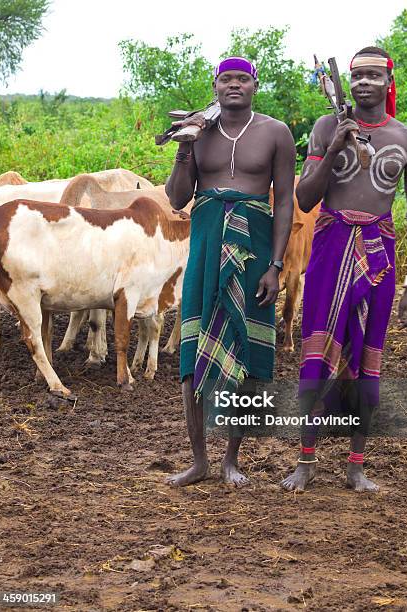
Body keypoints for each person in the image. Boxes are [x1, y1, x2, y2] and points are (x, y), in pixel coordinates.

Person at [281, 46, 407, 493]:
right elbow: (306, 198)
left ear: (388, 82)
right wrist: (335, 148)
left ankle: (356, 465)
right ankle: (306, 461)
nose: (364, 83)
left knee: (368, 359)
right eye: (357, 75)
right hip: (330, 249)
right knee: (316, 353)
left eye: (373, 76)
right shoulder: (327, 127)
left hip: (379, 254)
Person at [165, 56, 296, 486]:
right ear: (216, 85)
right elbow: (177, 197)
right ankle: (199, 460)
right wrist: (185, 145)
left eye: (242, 78)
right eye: (226, 79)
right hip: (205, 245)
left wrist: (276, 266)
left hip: (254, 251)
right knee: (192, 352)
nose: (234, 85)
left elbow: (284, 204)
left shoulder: (276, 133)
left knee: (246, 353)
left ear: (255, 84)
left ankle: (230, 460)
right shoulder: (198, 132)